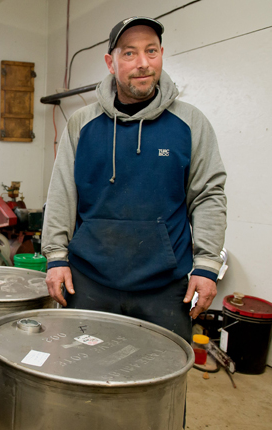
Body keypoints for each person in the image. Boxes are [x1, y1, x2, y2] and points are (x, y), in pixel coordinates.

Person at [42, 16, 227, 343]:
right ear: (110, 63)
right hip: (89, 283)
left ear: (161, 54)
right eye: (129, 53)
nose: (143, 63)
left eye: (151, 51)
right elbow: (62, 193)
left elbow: (208, 196)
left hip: (166, 290)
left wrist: (207, 264)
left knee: (161, 388)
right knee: (85, 381)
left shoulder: (190, 123)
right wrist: (56, 257)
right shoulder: (82, 124)